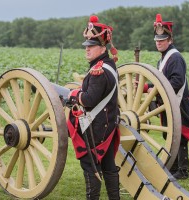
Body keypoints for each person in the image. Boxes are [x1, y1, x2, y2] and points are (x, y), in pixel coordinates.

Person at [66, 15, 120, 200]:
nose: (87, 49)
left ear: (102, 47)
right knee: (108, 165)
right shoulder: (108, 65)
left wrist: (73, 94)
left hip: (95, 129)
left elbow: (88, 100)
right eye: (86, 45)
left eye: (91, 45)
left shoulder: (99, 71)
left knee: (91, 167)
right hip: (107, 126)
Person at [147, 14, 189, 179]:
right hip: (169, 101)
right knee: (169, 134)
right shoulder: (163, 59)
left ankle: (183, 170)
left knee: (180, 135)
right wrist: (145, 87)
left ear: (170, 40)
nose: (159, 42)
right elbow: (162, 81)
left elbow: (176, 82)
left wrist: (155, 91)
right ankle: (173, 167)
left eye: (162, 39)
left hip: (178, 102)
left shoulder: (175, 57)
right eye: (157, 40)